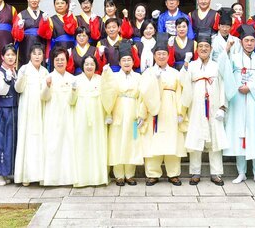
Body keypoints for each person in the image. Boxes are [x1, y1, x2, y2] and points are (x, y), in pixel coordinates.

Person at [179, 32, 228, 186]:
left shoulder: (216, 65)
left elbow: (223, 86)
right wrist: (185, 65)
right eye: (200, 46)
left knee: (215, 139)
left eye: (206, 46)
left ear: (211, 48)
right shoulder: (192, 65)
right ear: (197, 49)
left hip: (214, 107)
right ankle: (195, 172)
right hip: (196, 108)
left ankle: (216, 173)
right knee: (196, 138)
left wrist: (222, 106)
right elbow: (183, 82)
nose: (203, 49)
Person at [224, 24, 255, 185]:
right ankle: (241, 173)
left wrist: (250, 87)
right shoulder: (234, 58)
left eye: (251, 40)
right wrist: (226, 50)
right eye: (246, 40)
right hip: (238, 101)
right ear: (241, 42)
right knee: (239, 137)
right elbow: (224, 73)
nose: (249, 43)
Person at [139, 42, 186, 186]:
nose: (161, 56)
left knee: (172, 140)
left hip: (171, 109)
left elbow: (180, 93)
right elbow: (142, 94)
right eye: (158, 54)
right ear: (154, 56)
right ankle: (152, 174)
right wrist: (142, 114)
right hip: (154, 110)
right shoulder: (148, 73)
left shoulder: (175, 73)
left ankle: (173, 173)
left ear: (168, 55)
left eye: (164, 54)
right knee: (153, 140)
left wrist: (181, 112)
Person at [102, 41, 146, 186]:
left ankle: (130, 174)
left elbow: (142, 97)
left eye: (129, 60)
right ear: (119, 62)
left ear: (133, 62)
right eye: (124, 60)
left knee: (133, 140)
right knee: (117, 141)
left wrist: (141, 115)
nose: (126, 62)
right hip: (118, 113)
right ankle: (119, 175)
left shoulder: (139, 77)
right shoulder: (114, 77)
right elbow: (108, 94)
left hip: (134, 113)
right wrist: (109, 113)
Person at [14, 45, 49, 186]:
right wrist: (21, 77)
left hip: (41, 108)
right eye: (34, 54)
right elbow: (18, 89)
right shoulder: (24, 69)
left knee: (40, 140)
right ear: (30, 56)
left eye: (40, 54)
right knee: (26, 140)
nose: (37, 56)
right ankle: (25, 176)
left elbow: (46, 94)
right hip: (27, 109)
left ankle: (40, 175)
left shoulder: (45, 71)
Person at [71, 56, 109, 187]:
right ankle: (82, 178)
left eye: (92, 64)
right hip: (81, 118)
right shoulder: (76, 80)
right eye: (86, 64)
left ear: (96, 66)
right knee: (82, 145)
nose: (89, 66)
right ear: (82, 66)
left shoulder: (101, 79)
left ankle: (98, 177)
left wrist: (108, 114)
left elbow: (106, 99)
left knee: (97, 144)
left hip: (98, 118)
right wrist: (73, 91)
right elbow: (71, 101)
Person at [41, 48, 76, 186]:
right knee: (53, 146)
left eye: (62, 59)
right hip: (53, 116)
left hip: (68, 116)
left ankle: (68, 178)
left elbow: (73, 101)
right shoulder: (48, 77)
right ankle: (52, 178)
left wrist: (74, 91)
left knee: (68, 146)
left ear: (67, 61)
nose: (60, 62)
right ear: (53, 61)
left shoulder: (72, 78)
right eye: (57, 60)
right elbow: (44, 97)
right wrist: (47, 86)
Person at [0, 45, 18, 186]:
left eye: (13, 55)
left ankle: (6, 171)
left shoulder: (16, 71)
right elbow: (0, 90)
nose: (11, 57)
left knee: (10, 142)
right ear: (2, 57)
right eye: (8, 55)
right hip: (1, 110)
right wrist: (7, 79)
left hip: (13, 109)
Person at [13, 0, 49, 64]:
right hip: (26, 44)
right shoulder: (21, 15)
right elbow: (16, 35)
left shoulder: (44, 15)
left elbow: (48, 34)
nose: (34, 0)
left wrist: (45, 22)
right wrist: (19, 28)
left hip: (41, 42)